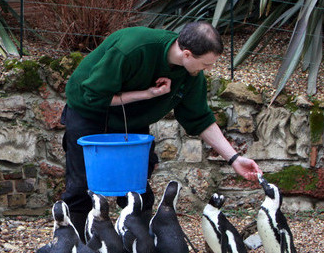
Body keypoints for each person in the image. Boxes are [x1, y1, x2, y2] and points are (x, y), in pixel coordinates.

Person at [61, 21, 262, 237]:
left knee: (137, 192)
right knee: (80, 189)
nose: (209, 70)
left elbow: (200, 118)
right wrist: (147, 94)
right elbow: (95, 96)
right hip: (88, 112)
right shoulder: (133, 48)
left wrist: (234, 159)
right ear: (187, 54)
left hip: (132, 121)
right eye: (206, 64)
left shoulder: (190, 74)